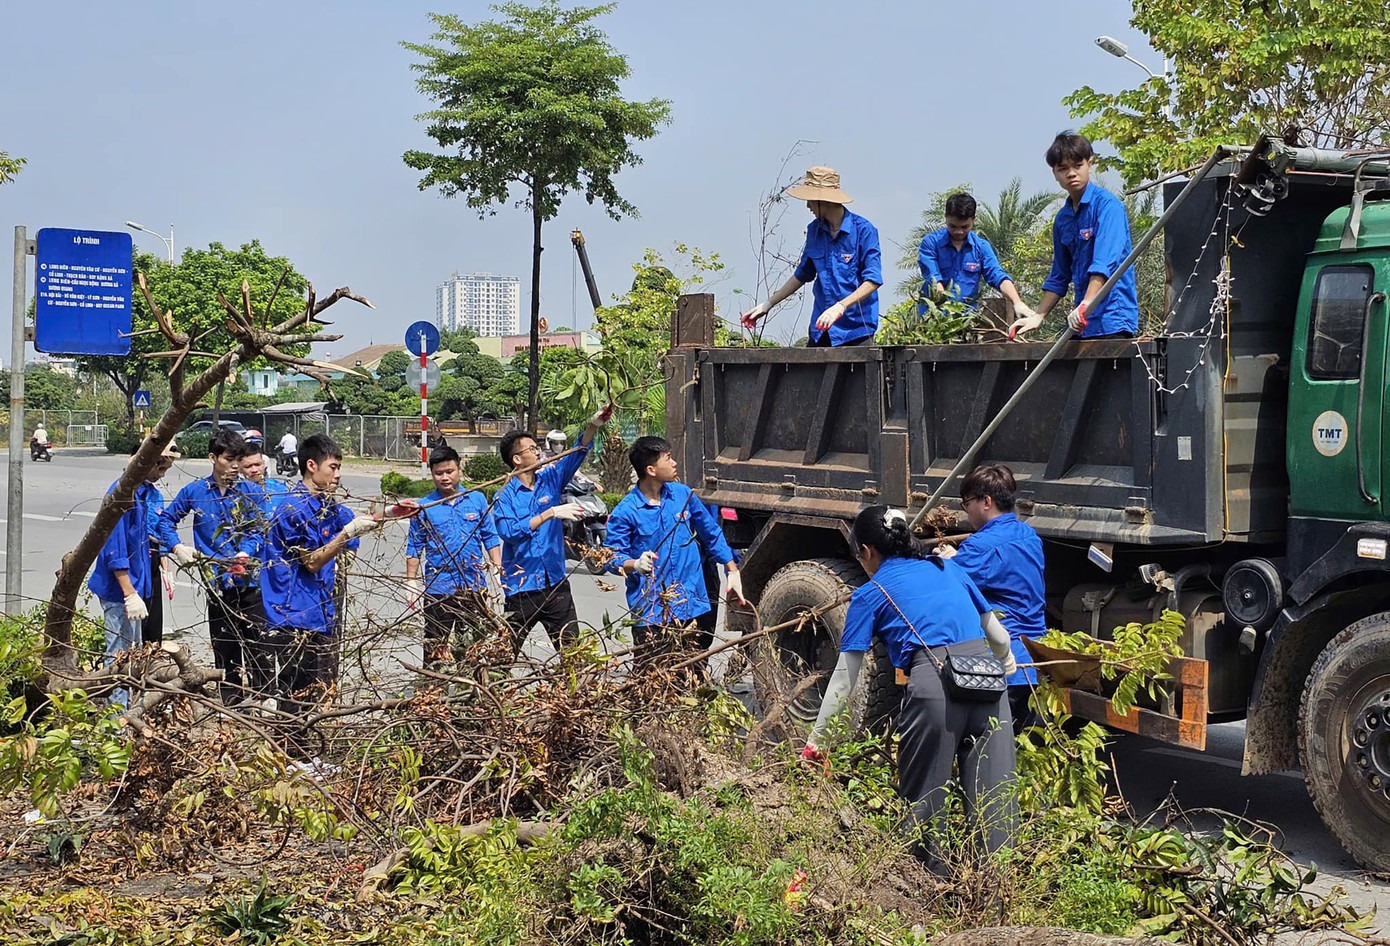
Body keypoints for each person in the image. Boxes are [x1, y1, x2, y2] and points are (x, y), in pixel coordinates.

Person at [805, 506, 1017, 872]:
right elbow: (999, 637)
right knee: (996, 808)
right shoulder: (949, 568)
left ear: (867, 551)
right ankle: (996, 897)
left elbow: (844, 677)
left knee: (925, 809)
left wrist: (817, 743)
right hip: (988, 684)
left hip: (936, 688)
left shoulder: (871, 593)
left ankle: (929, 896)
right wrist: (1007, 663)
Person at [259, 434, 381, 736]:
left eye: (340, 468)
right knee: (293, 692)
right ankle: (289, 753)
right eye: (333, 467)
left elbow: (358, 521)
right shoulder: (293, 509)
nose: (338, 475)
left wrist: (392, 513)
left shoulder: (328, 506)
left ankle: (303, 751)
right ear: (312, 466)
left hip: (319, 611)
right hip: (293, 614)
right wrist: (345, 536)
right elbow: (312, 562)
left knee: (313, 690)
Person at [604, 436, 744, 667]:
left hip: (691, 606)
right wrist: (634, 564)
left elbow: (710, 532)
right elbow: (611, 557)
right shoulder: (626, 511)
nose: (674, 463)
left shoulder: (682, 495)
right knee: (653, 675)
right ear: (651, 470)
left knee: (694, 672)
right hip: (652, 612)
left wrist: (732, 569)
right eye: (668, 458)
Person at [493, 407, 611, 655]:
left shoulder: (550, 479)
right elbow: (509, 532)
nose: (538, 452)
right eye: (531, 449)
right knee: (504, 657)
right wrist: (550, 513)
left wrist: (593, 426)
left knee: (573, 656)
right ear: (517, 459)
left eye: (537, 448)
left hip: (556, 585)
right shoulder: (504, 495)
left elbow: (577, 452)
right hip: (522, 588)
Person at [157, 429, 265, 700]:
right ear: (213, 458)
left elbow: (260, 530)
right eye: (229, 459)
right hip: (216, 584)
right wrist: (177, 547)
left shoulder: (251, 492)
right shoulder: (195, 491)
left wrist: (245, 553)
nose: (235, 466)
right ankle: (231, 704)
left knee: (259, 646)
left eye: (239, 460)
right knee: (225, 648)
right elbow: (165, 521)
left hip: (251, 582)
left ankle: (264, 702)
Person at [939, 464, 1046, 735]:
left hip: (1002, 663)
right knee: (1025, 744)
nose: (966, 512)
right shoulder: (1029, 536)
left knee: (989, 746)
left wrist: (947, 562)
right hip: (1035, 659)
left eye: (967, 503)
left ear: (986, 501)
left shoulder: (980, 546)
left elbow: (948, 586)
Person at [1009, 131, 1139, 339]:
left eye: (1077, 166)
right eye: (1063, 169)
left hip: (1112, 321)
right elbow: (1059, 275)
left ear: (1090, 164)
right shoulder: (1063, 219)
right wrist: (1039, 316)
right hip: (1082, 324)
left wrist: (1087, 303)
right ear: (1054, 173)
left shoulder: (1108, 207)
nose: (1071, 174)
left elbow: (1104, 263)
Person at [739, 166, 883, 347]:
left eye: (811, 200)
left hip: (855, 331)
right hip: (821, 329)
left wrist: (840, 306)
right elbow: (802, 274)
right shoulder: (814, 230)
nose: (808, 206)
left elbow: (873, 280)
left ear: (824, 200)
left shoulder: (864, 231)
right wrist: (768, 304)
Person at [405, 446, 503, 667]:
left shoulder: (476, 499)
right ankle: (432, 686)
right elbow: (414, 546)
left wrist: (497, 566)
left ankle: (468, 685)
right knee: (434, 649)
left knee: (470, 648)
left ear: (459, 469)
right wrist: (411, 581)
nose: (445, 477)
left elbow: (490, 536)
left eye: (449, 471)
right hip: (438, 588)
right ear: (432, 474)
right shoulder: (424, 507)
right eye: (439, 473)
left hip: (473, 585)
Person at [88, 466, 158, 708]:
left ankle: (129, 708)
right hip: (119, 590)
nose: (162, 473)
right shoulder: (123, 494)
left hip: (134, 586)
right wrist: (128, 594)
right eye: (160, 466)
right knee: (119, 655)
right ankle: (116, 717)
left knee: (133, 653)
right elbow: (114, 549)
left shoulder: (145, 492)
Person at [919, 193, 1037, 324]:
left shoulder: (981, 247)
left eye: (965, 227)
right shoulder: (930, 243)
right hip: (933, 319)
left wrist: (1017, 302)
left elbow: (997, 275)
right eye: (953, 226)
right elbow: (934, 279)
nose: (959, 231)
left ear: (973, 220)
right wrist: (945, 309)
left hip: (967, 320)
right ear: (946, 218)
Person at [141, 442, 181, 645]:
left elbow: (159, 530)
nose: (162, 474)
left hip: (153, 558)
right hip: (136, 559)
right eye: (161, 468)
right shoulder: (132, 493)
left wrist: (166, 568)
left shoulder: (156, 495)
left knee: (154, 616)